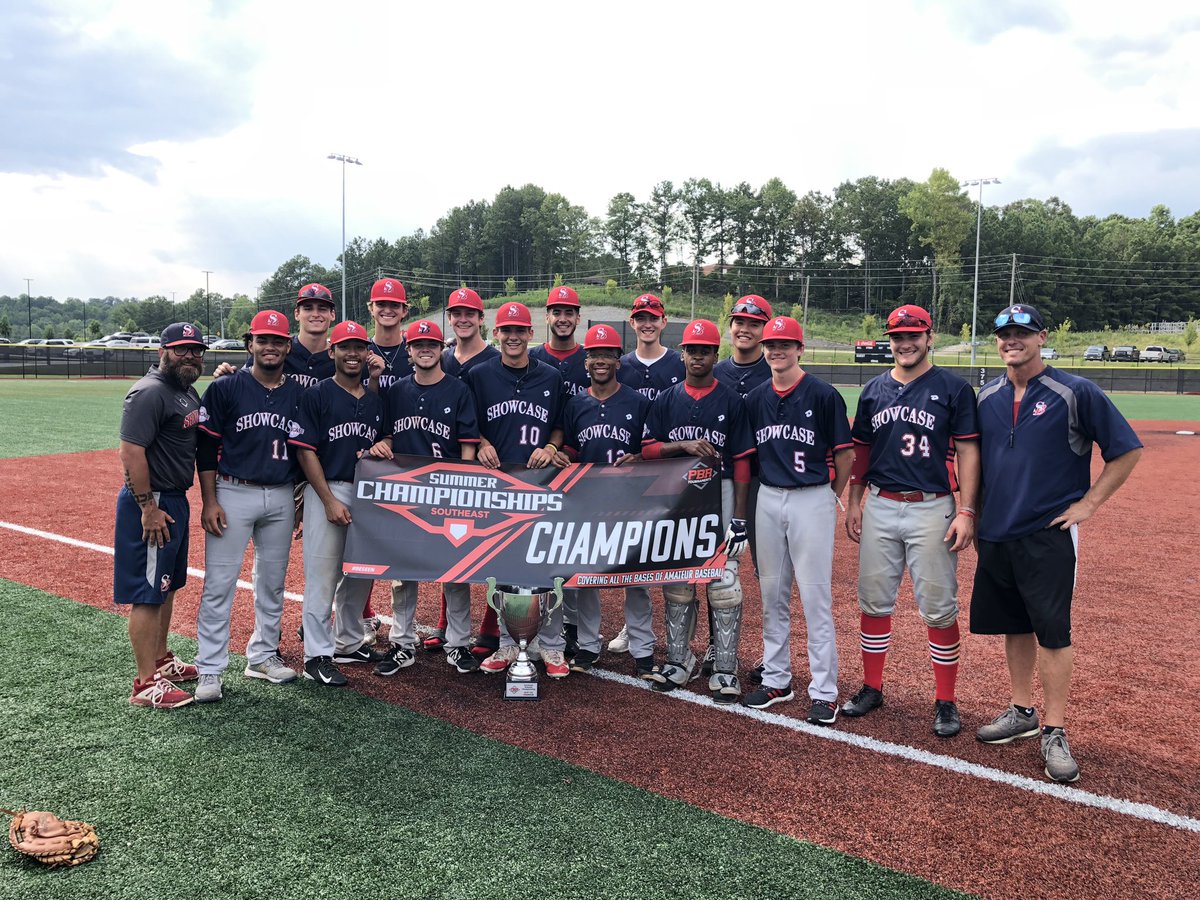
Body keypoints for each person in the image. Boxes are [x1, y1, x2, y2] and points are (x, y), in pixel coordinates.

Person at [971, 303, 1142, 783]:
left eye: (1022, 333)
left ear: (1042, 337)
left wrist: (1088, 505)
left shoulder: (1075, 392)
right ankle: (1022, 710)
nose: (1012, 341)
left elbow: (1126, 450)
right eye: (1004, 334)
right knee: (1015, 624)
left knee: (1053, 630)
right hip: (997, 532)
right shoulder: (986, 396)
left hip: (1049, 534)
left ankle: (1054, 728)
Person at [842, 304, 980, 737]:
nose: (905, 343)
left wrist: (967, 509)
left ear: (929, 336)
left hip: (932, 506)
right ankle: (872, 686)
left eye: (913, 335)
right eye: (898, 337)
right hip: (881, 503)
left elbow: (970, 451)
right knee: (873, 601)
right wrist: (855, 499)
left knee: (939, 609)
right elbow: (861, 451)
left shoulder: (954, 389)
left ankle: (945, 700)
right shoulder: (874, 390)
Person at [741, 315, 853, 726]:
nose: (777, 351)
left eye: (785, 344)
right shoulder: (755, 398)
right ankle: (776, 678)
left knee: (815, 598)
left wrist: (829, 497)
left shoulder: (823, 395)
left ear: (800, 349)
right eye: (771, 345)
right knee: (771, 595)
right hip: (769, 497)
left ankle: (824, 691)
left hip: (811, 497)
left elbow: (845, 455)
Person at [193, 310, 307, 703]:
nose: (270, 347)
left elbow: (306, 451)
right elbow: (206, 448)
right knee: (219, 584)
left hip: (279, 494)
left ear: (288, 346)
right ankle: (209, 668)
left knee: (271, 583)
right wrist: (210, 500)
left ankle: (261, 655)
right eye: (263, 340)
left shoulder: (298, 393)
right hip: (232, 491)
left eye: (278, 341)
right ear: (250, 344)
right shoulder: (225, 387)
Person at [641, 319, 754, 703]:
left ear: (714, 355)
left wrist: (739, 518)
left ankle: (725, 667)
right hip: (677, 496)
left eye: (705, 350)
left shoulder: (731, 400)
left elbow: (741, 463)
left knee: (723, 583)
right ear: (683, 354)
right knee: (677, 579)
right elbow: (648, 449)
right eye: (691, 350)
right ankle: (678, 659)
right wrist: (684, 446)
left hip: (719, 493)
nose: (697, 356)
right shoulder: (667, 398)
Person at [368, 319, 482, 676]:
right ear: (410, 350)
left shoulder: (459, 390)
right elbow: (387, 435)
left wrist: (462, 490)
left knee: (457, 570)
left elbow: (467, 445)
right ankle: (403, 643)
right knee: (402, 572)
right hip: (408, 492)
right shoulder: (396, 391)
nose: (425, 349)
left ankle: (459, 644)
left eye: (431, 344)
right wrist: (384, 443)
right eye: (418, 345)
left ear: (441, 348)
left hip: (449, 491)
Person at [465, 301, 571, 679]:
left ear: (531, 334)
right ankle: (510, 645)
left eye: (519, 330)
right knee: (502, 568)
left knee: (549, 565)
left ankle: (553, 647)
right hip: (498, 485)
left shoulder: (551, 376)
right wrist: (479, 442)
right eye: (506, 330)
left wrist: (552, 447)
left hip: (541, 483)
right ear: (496, 333)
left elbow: (559, 425)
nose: (512, 337)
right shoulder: (479, 375)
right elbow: (467, 422)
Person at [114, 322, 206, 708]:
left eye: (196, 350)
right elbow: (130, 452)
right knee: (148, 593)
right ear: (162, 351)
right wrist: (148, 507)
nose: (190, 356)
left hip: (175, 500)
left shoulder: (186, 391)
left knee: (166, 586)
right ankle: (145, 683)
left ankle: (161, 660)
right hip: (154, 504)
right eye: (182, 349)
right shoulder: (149, 392)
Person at [287, 320, 384, 687]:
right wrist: (327, 500)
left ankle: (347, 642)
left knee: (360, 573)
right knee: (323, 576)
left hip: (366, 493)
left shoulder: (375, 399)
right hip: (327, 488)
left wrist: (385, 440)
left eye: (359, 347)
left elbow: (384, 437)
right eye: (345, 347)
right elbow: (306, 451)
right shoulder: (317, 395)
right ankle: (316, 655)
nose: (353, 353)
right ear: (332, 352)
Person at [559, 324, 654, 676]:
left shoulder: (638, 402)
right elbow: (570, 448)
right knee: (586, 577)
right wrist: (560, 456)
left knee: (636, 578)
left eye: (608, 354)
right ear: (586, 361)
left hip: (631, 500)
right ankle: (587, 644)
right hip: (587, 500)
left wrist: (641, 460)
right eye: (594, 354)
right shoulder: (576, 403)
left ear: (618, 360)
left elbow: (650, 449)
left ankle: (643, 649)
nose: (600, 360)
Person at [608, 293, 685, 655]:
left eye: (653, 317)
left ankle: (680, 635)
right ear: (633, 322)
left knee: (678, 557)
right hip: (631, 470)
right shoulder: (621, 364)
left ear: (664, 322)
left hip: (672, 468)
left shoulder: (679, 362)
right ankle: (634, 627)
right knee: (634, 557)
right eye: (640, 318)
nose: (647, 323)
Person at [428, 286, 500, 655]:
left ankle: (490, 625)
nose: (463, 318)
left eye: (469, 312)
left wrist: (484, 442)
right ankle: (445, 624)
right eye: (456, 313)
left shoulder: (495, 358)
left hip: (488, 464)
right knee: (449, 547)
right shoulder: (440, 357)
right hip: (447, 465)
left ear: (481, 317)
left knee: (492, 547)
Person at [708, 294, 773, 677]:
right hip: (723, 482)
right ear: (730, 327)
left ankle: (771, 656)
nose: (745, 329)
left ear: (764, 330)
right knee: (717, 567)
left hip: (767, 481)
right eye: (739, 322)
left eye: (754, 323)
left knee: (769, 574)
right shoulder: (716, 371)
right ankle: (718, 647)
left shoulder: (776, 368)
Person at [529, 284, 590, 657]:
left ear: (577, 318)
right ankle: (537, 627)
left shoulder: (591, 356)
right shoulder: (533, 357)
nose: (563, 318)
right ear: (547, 316)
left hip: (579, 466)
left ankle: (574, 627)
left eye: (570, 312)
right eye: (557, 311)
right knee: (540, 553)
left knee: (576, 552)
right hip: (540, 471)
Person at [212, 283, 336, 387]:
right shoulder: (278, 349)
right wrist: (225, 374)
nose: (315, 314)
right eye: (308, 308)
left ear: (333, 314)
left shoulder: (340, 356)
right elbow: (244, 382)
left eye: (322, 309)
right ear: (297, 313)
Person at [364, 277, 413, 392]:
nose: (387, 310)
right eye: (381, 304)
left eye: (395, 305)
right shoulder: (362, 352)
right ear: (371, 308)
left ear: (404, 311)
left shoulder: (414, 351)